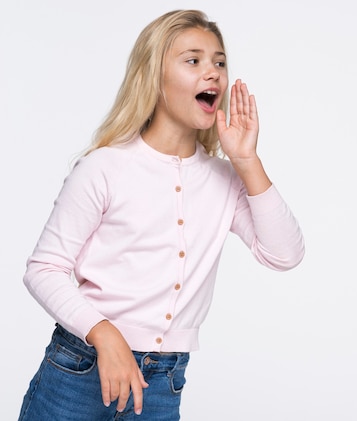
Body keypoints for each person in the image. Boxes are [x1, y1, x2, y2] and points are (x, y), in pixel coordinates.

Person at [18, 9, 304, 420]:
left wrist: (246, 159)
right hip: (81, 368)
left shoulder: (225, 178)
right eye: (193, 60)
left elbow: (285, 254)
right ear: (154, 75)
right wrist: (105, 334)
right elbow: (43, 268)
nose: (213, 73)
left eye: (219, 62)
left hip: (163, 383)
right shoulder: (105, 167)